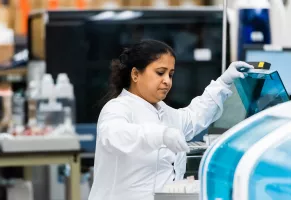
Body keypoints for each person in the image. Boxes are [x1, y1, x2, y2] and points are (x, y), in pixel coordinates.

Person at [88, 39, 253, 200]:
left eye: (171, 74)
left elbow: (194, 116)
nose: (167, 81)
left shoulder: (163, 111)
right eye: (160, 73)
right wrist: (161, 135)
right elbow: (114, 134)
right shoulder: (118, 107)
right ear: (136, 74)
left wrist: (223, 83)